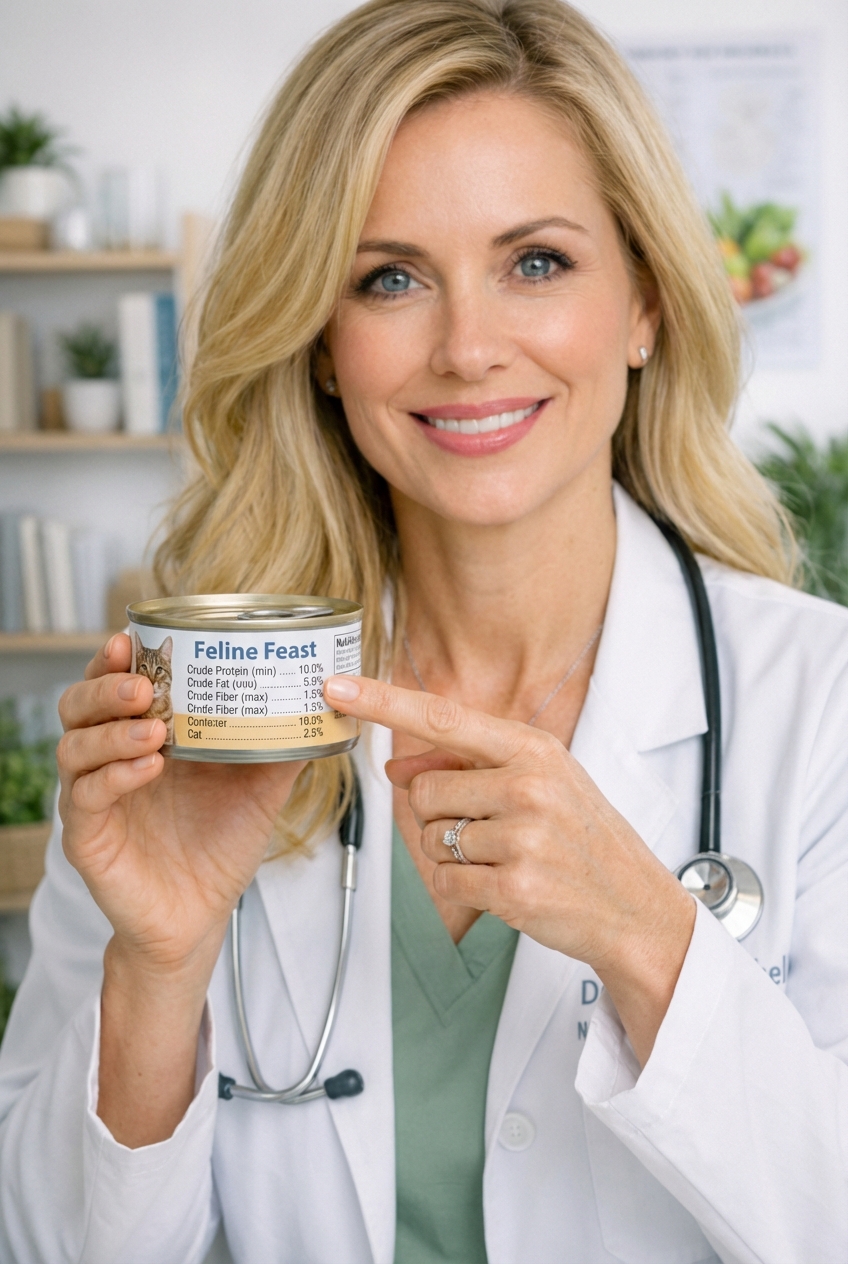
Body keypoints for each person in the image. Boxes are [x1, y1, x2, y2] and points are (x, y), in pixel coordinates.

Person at [1, 0, 847, 1259]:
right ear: (324, 345)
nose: (465, 347)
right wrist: (158, 969)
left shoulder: (817, 699)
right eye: (388, 278)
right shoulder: (190, 715)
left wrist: (644, 935)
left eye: (537, 262)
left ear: (644, 305)